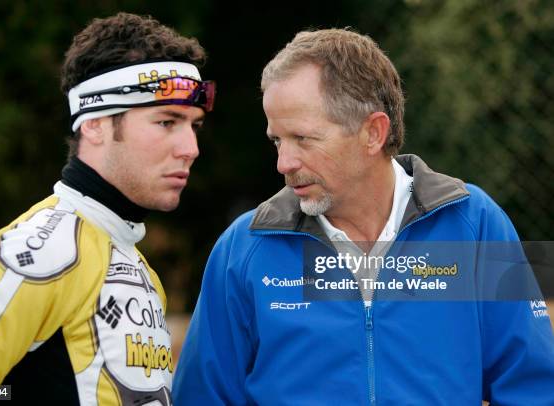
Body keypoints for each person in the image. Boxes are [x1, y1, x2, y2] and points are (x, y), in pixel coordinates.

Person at [172, 28, 554, 405]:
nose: (283, 162)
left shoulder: (475, 223)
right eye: (277, 140)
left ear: (373, 133)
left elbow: (532, 387)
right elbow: (202, 397)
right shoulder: (245, 247)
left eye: (303, 138)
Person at [0, 12, 214, 405]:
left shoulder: (134, 262)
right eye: (167, 121)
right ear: (95, 125)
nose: (190, 148)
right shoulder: (45, 250)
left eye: (195, 126)